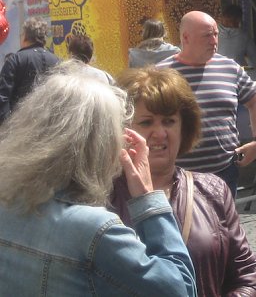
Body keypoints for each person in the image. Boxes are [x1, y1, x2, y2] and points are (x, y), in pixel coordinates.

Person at [0, 61, 196, 296]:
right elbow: (180, 288)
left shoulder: (7, 207)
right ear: (98, 144)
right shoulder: (96, 231)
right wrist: (147, 199)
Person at [111, 67, 256, 297]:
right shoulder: (101, 198)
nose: (159, 133)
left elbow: (247, 278)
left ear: (184, 127)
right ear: (123, 129)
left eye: (169, 121)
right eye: (146, 122)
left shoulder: (213, 191)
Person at [157, 10, 256, 196]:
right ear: (186, 38)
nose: (214, 41)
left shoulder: (229, 68)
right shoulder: (162, 73)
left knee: (224, 225)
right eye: (206, 36)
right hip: (177, 176)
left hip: (224, 171)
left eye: (215, 34)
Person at [0, 16, 60, 125]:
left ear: (25, 36)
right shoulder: (56, 61)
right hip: (49, 127)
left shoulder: (15, 60)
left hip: (20, 127)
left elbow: (3, 97)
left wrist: (5, 127)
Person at [218, 3, 256, 76]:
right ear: (239, 20)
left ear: (222, 17)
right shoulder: (244, 36)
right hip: (236, 76)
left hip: (215, 75)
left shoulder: (211, 34)